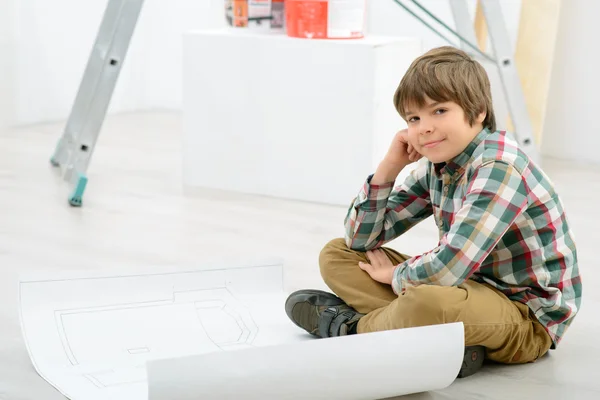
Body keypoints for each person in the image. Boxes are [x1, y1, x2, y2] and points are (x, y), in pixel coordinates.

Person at [284, 46, 582, 378]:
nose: (424, 127)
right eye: (414, 118)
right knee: (337, 254)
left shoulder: (499, 166)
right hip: (462, 290)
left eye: (439, 111)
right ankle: (449, 343)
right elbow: (359, 239)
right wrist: (388, 169)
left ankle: (352, 331)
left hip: (524, 316)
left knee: (427, 302)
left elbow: (450, 265)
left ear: (478, 111)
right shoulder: (440, 166)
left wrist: (395, 276)